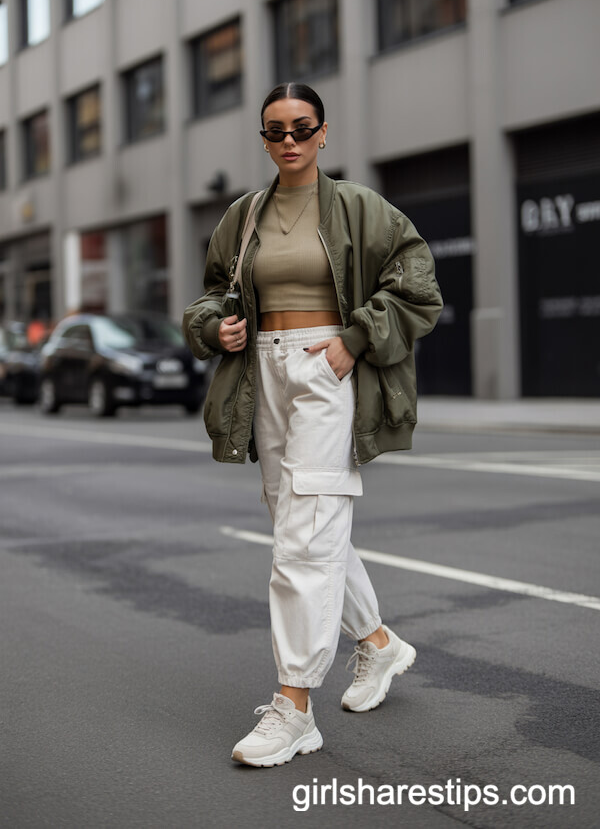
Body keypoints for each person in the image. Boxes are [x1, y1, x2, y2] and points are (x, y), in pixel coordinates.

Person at [183, 82, 443, 768]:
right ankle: (380, 645)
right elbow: (212, 292)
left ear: (323, 133)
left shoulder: (360, 208)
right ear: (264, 140)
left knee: (304, 536)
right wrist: (218, 326)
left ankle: (294, 705)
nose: (289, 141)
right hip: (262, 372)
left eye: (302, 128)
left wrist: (354, 339)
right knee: (302, 519)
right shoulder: (244, 217)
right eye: (275, 131)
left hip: (329, 370)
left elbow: (418, 284)